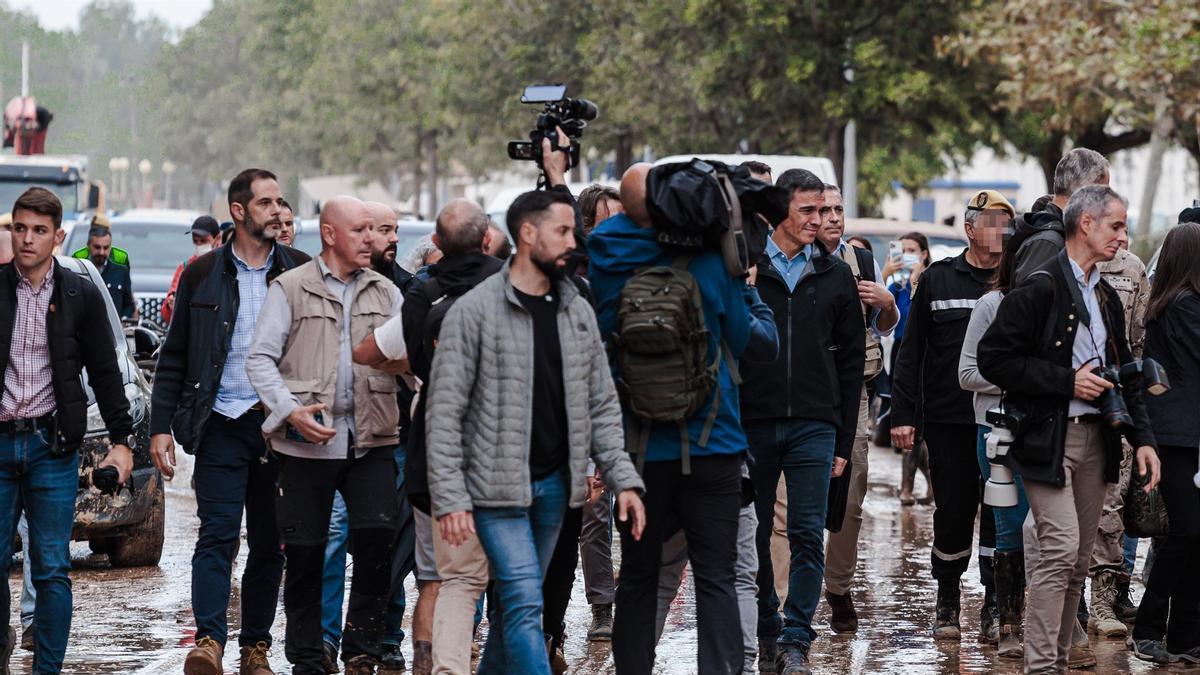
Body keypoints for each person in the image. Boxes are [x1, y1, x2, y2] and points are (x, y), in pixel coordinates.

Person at [425, 188, 646, 675]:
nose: (573, 241)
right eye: (563, 231)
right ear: (528, 234)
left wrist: (623, 478)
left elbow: (602, 403)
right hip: (495, 491)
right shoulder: (474, 311)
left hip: (555, 488)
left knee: (513, 611)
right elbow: (443, 414)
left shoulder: (576, 307)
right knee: (527, 605)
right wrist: (451, 497)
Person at [589, 163, 777, 674]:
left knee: (638, 577)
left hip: (639, 450)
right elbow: (743, 340)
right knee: (717, 576)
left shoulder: (605, 258)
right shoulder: (710, 261)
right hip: (715, 442)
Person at [978, 184, 1161, 673]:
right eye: (1117, 226)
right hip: (1047, 439)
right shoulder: (1040, 286)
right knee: (1058, 548)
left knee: (1078, 562)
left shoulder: (1105, 294)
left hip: (1096, 442)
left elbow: (1125, 373)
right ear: (1087, 224)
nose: (1124, 237)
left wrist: (1143, 440)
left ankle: (1056, 661)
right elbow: (993, 358)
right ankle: (1042, 667)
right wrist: (1065, 381)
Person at [151, 168, 306, 675]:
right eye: (266, 203)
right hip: (221, 422)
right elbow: (174, 357)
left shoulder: (300, 271)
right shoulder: (204, 273)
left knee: (269, 542)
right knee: (216, 534)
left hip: (280, 430)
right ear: (239, 211)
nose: (278, 212)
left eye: (280, 202)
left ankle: (255, 647)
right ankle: (210, 641)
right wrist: (160, 428)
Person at [244, 195, 402, 675]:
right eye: (360, 231)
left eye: (375, 230)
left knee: (378, 541)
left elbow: (408, 359)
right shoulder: (290, 288)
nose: (372, 239)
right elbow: (259, 360)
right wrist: (291, 412)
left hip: (373, 438)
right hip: (307, 443)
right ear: (330, 234)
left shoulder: (387, 292)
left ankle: (362, 648)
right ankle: (309, 658)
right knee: (308, 553)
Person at [734, 169, 864, 674]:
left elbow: (852, 363)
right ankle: (767, 624)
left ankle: (796, 639)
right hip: (754, 421)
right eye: (808, 210)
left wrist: (842, 437)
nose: (819, 220)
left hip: (816, 423)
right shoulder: (747, 270)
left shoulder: (835, 275)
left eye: (824, 210)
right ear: (779, 212)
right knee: (758, 531)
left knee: (809, 533)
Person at [0, 187, 135, 674]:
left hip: (50, 448)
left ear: (58, 237)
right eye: (20, 229)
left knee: (52, 566)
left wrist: (122, 442)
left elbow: (104, 370)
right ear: (11, 231)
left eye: (39, 231)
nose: (28, 239)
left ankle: (47, 670)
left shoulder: (79, 294)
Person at [890, 190, 1013, 642]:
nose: (1001, 231)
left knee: (999, 511)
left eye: (1007, 222)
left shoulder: (1016, 282)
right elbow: (911, 352)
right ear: (970, 228)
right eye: (993, 222)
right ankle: (947, 598)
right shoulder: (940, 279)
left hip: (1002, 420)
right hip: (948, 420)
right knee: (955, 509)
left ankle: (995, 601)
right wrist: (904, 415)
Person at [387, 197, 502, 675]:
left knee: (447, 578)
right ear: (488, 239)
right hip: (507, 453)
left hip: (432, 451)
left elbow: (413, 362)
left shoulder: (420, 296)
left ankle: (437, 666)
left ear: (435, 243)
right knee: (514, 581)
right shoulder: (509, 285)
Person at [320, 200, 418, 672]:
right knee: (335, 536)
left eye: (393, 229)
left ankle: (385, 636)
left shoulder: (408, 290)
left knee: (388, 543)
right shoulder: (316, 285)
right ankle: (324, 637)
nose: (387, 239)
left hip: (392, 435)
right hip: (333, 434)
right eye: (378, 229)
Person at [815, 184, 898, 634]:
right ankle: (790, 598)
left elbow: (881, 323)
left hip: (855, 393)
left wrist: (888, 306)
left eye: (838, 209)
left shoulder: (861, 261)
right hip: (805, 393)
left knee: (850, 496)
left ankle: (838, 586)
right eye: (822, 209)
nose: (831, 217)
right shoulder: (791, 262)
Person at [1130, 221, 1200, 664]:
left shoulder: (1174, 302)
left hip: (1184, 434)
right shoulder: (1183, 306)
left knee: (1195, 535)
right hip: (1177, 436)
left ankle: (1185, 635)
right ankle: (1149, 627)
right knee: (1186, 533)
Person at [957, 226, 1029, 659]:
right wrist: (1018, 373)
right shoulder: (990, 304)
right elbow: (967, 374)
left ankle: (1064, 621)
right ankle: (1007, 622)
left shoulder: (1061, 303)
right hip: (996, 429)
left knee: (1059, 525)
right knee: (1008, 524)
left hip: (1050, 428)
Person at [884, 232, 933, 506]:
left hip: (928, 361)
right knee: (906, 424)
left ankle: (925, 485)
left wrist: (917, 278)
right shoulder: (897, 287)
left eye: (912, 249)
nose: (907, 254)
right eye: (902, 250)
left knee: (924, 430)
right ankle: (906, 488)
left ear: (924, 254)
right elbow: (879, 316)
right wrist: (886, 272)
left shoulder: (931, 281)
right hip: (903, 359)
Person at [1011, 148, 1109, 285]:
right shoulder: (1048, 243)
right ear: (1086, 188)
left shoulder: (1060, 235)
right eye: (1103, 192)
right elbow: (1028, 304)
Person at [162, 215, 221, 326]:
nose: (199, 245)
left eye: (204, 241)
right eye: (195, 241)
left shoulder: (227, 265)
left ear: (217, 239)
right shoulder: (185, 268)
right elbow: (167, 315)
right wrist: (171, 306)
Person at [85, 225, 137, 320]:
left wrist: (124, 319)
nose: (101, 252)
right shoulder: (79, 271)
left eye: (106, 248)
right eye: (97, 247)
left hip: (114, 332)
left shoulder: (121, 272)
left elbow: (129, 304)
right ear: (88, 245)